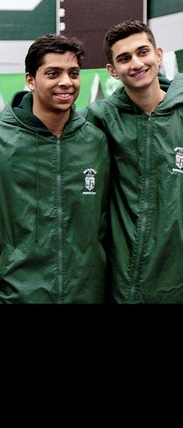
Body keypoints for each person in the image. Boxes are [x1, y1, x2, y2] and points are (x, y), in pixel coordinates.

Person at [0, 34, 110, 303]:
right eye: (53, 73)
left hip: (85, 294)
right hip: (12, 296)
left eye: (73, 73)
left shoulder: (95, 142)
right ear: (30, 80)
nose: (66, 82)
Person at [83, 20, 183, 303]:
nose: (136, 63)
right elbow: (45, 125)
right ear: (112, 70)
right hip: (123, 283)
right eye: (124, 58)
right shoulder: (100, 118)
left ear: (158, 55)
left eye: (143, 52)